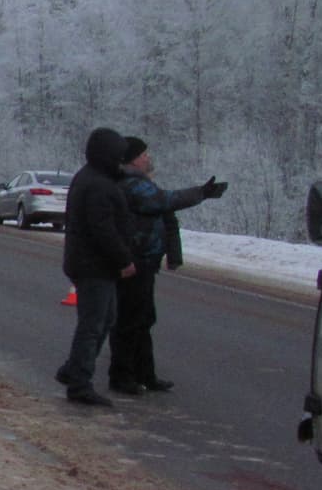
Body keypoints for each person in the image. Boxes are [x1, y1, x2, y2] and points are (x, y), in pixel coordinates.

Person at [108, 136, 228, 394]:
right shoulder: (132, 185)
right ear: (132, 159)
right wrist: (201, 193)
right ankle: (122, 376)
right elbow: (166, 201)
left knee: (143, 318)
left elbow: (167, 217)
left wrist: (173, 253)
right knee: (130, 320)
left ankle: (144, 374)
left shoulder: (138, 183)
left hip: (143, 261)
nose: (148, 158)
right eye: (143, 154)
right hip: (134, 262)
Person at [55, 127, 138, 407]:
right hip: (94, 265)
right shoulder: (98, 184)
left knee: (105, 319)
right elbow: (103, 229)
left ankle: (73, 370)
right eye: (118, 154)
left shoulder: (91, 178)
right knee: (93, 324)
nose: (121, 160)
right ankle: (79, 382)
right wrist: (124, 260)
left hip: (91, 263)